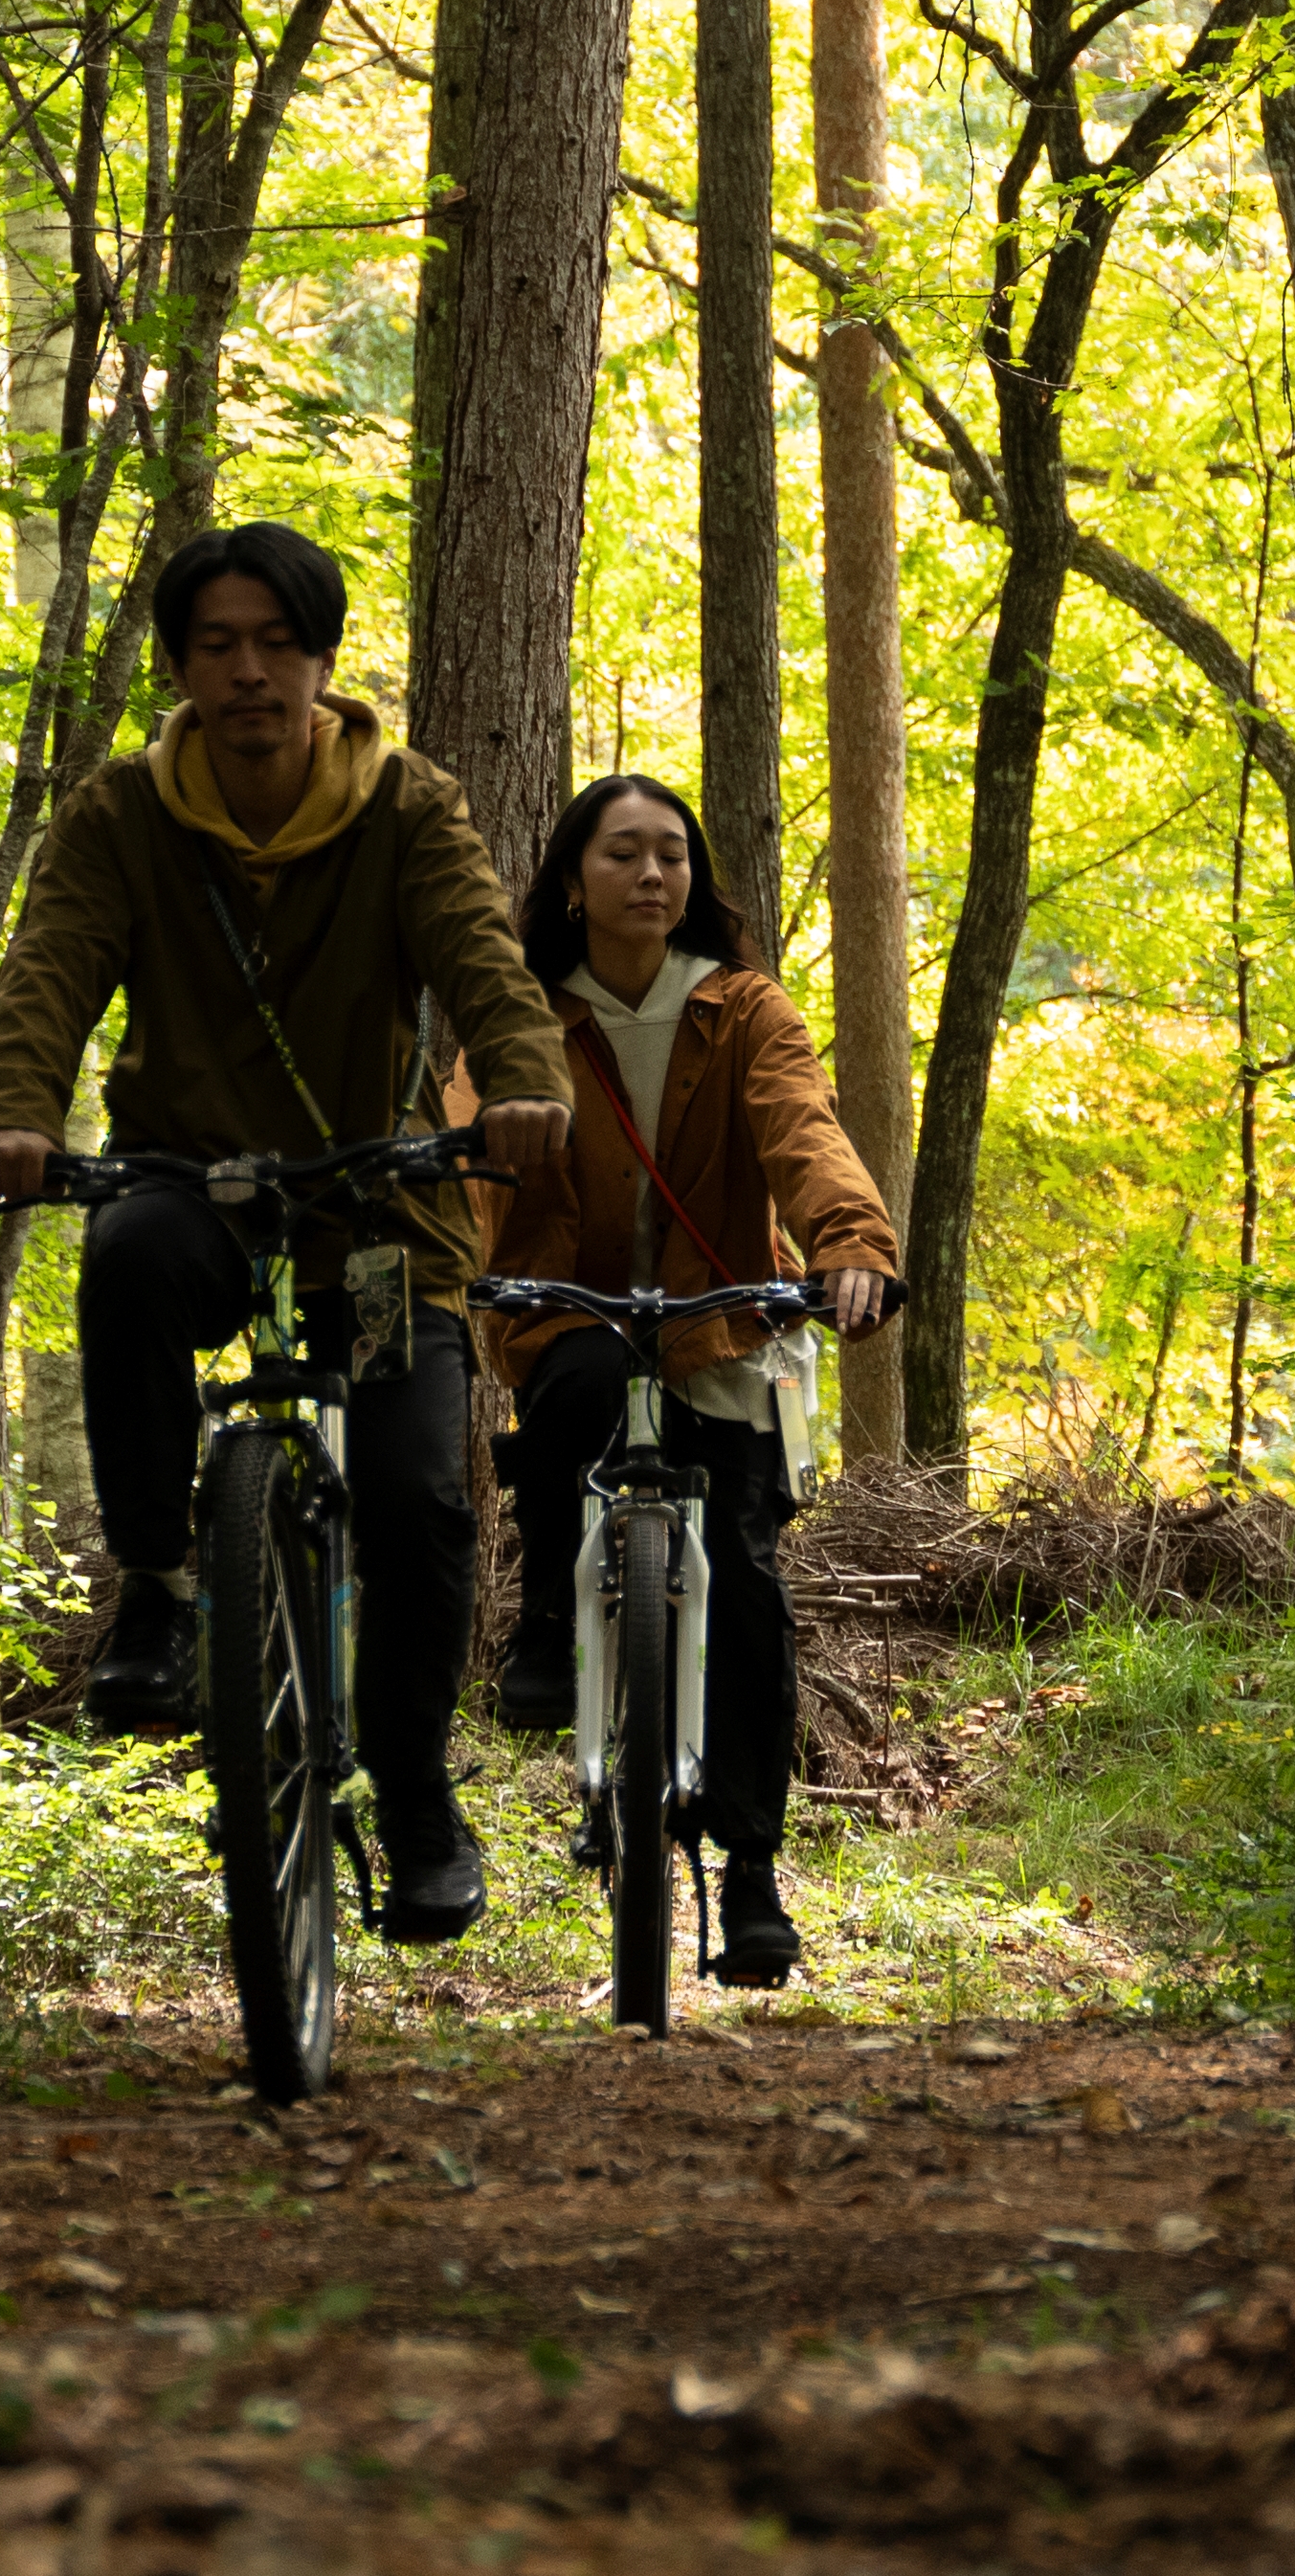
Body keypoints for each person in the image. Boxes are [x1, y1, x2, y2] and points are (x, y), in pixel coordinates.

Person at [0, 525, 574, 1942]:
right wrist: (11, 1111)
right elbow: (50, 968)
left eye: (277, 644)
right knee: (124, 1261)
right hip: (200, 1190)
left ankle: (418, 1795)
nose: (250, 673)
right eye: (218, 646)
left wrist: (527, 1087)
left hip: (371, 1214)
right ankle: (161, 1590)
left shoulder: (407, 805)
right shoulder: (122, 815)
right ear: (179, 667)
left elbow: (483, 956)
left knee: (421, 1491)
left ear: (321, 659)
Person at [474, 770, 899, 1988]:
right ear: (572, 879)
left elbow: (802, 1129)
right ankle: (550, 1625)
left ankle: (754, 1873)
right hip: (575, 1304)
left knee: (752, 1587)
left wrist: (850, 1247)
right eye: (623, 854)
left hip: (727, 1320)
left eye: (671, 854)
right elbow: (468, 1142)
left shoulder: (742, 1006)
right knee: (572, 1391)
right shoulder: (522, 1012)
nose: (651, 874)